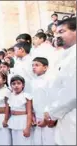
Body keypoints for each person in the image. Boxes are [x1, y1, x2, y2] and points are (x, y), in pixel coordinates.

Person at [44, 17, 76, 145]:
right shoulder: (64, 55)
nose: (57, 36)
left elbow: (73, 92)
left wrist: (52, 112)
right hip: (64, 116)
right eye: (56, 33)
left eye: (62, 31)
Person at [30, 57, 55, 145]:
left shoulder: (50, 79)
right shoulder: (33, 81)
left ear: (45, 67)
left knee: (48, 140)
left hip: (47, 117)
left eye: (37, 65)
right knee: (38, 141)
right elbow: (34, 99)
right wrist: (32, 113)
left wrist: (47, 118)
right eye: (32, 65)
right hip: (37, 116)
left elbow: (52, 99)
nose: (34, 67)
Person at [4, 75, 33, 145]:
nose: (16, 85)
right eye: (13, 84)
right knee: (15, 142)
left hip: (23, 121)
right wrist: (5, 119)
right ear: (11, 85)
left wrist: (28, 128)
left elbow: (29, 112)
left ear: (23, 85)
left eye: (18, 83)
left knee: (24, 142)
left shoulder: (26, 96)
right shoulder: (10, 96)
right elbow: (7, 110)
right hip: (13, 120)